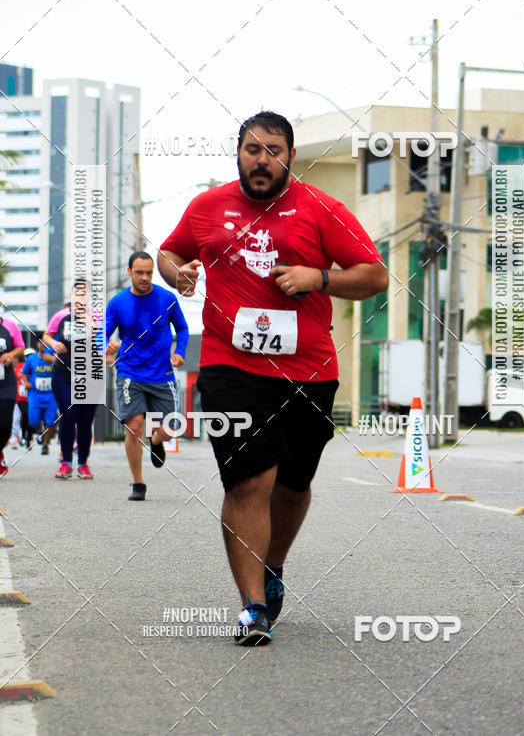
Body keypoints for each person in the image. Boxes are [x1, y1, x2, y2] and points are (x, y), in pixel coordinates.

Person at [158, 110, 388, 645]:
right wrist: (177, 274)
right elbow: (169, 253)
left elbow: (374, 275)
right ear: (238, 153)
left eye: (274, 150)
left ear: (290, 156)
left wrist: (320, 277)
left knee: (292, 485)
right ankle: (253, 605)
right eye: (252, 149)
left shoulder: (321, 209)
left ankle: (272, 564)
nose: (262, 160)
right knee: (247, 481)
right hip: (230, 365)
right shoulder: (207, 207)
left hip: (308, 370)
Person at [102, 251, 189, 501]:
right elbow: (102, 333)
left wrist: (180, 352)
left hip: (162, 373)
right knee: (134, 426)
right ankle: (138, 483)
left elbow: (182, 328)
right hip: (130, 371)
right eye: (139, 272)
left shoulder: (167, 299)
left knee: (171, 428)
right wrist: (107, 344)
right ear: (129, 271)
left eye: (149, 273)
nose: (144, 277)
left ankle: (156, 439)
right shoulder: (118, 302)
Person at [43, 281, 99, 480]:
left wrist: (93, 328)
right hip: (64, 373)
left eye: (85, 293)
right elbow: (46, 336)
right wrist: (53, 343)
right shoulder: (61, 316)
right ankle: (65, 462)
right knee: (69, 414)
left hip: (90, 374)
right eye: (77, 293)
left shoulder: (97, 316)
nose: (81, 296)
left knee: (85, 420)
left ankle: (83, 463)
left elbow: (104, 342)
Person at [0, 309, 26, 476]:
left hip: (6, 384)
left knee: (4, 426)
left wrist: (10, 354)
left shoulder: (9, 326)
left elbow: (20, 348)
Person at [21, 340, 58, 456]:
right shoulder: (31, 358)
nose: (42, 345)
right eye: (40, 343)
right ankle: (40, 430)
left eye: (44, 343)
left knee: (50, 421)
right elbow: (24, 373)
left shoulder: (54, 357)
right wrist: (26, 382)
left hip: (51, 394)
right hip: (35, 394)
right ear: (37, 344)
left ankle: (45, 445)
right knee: (33, 420)